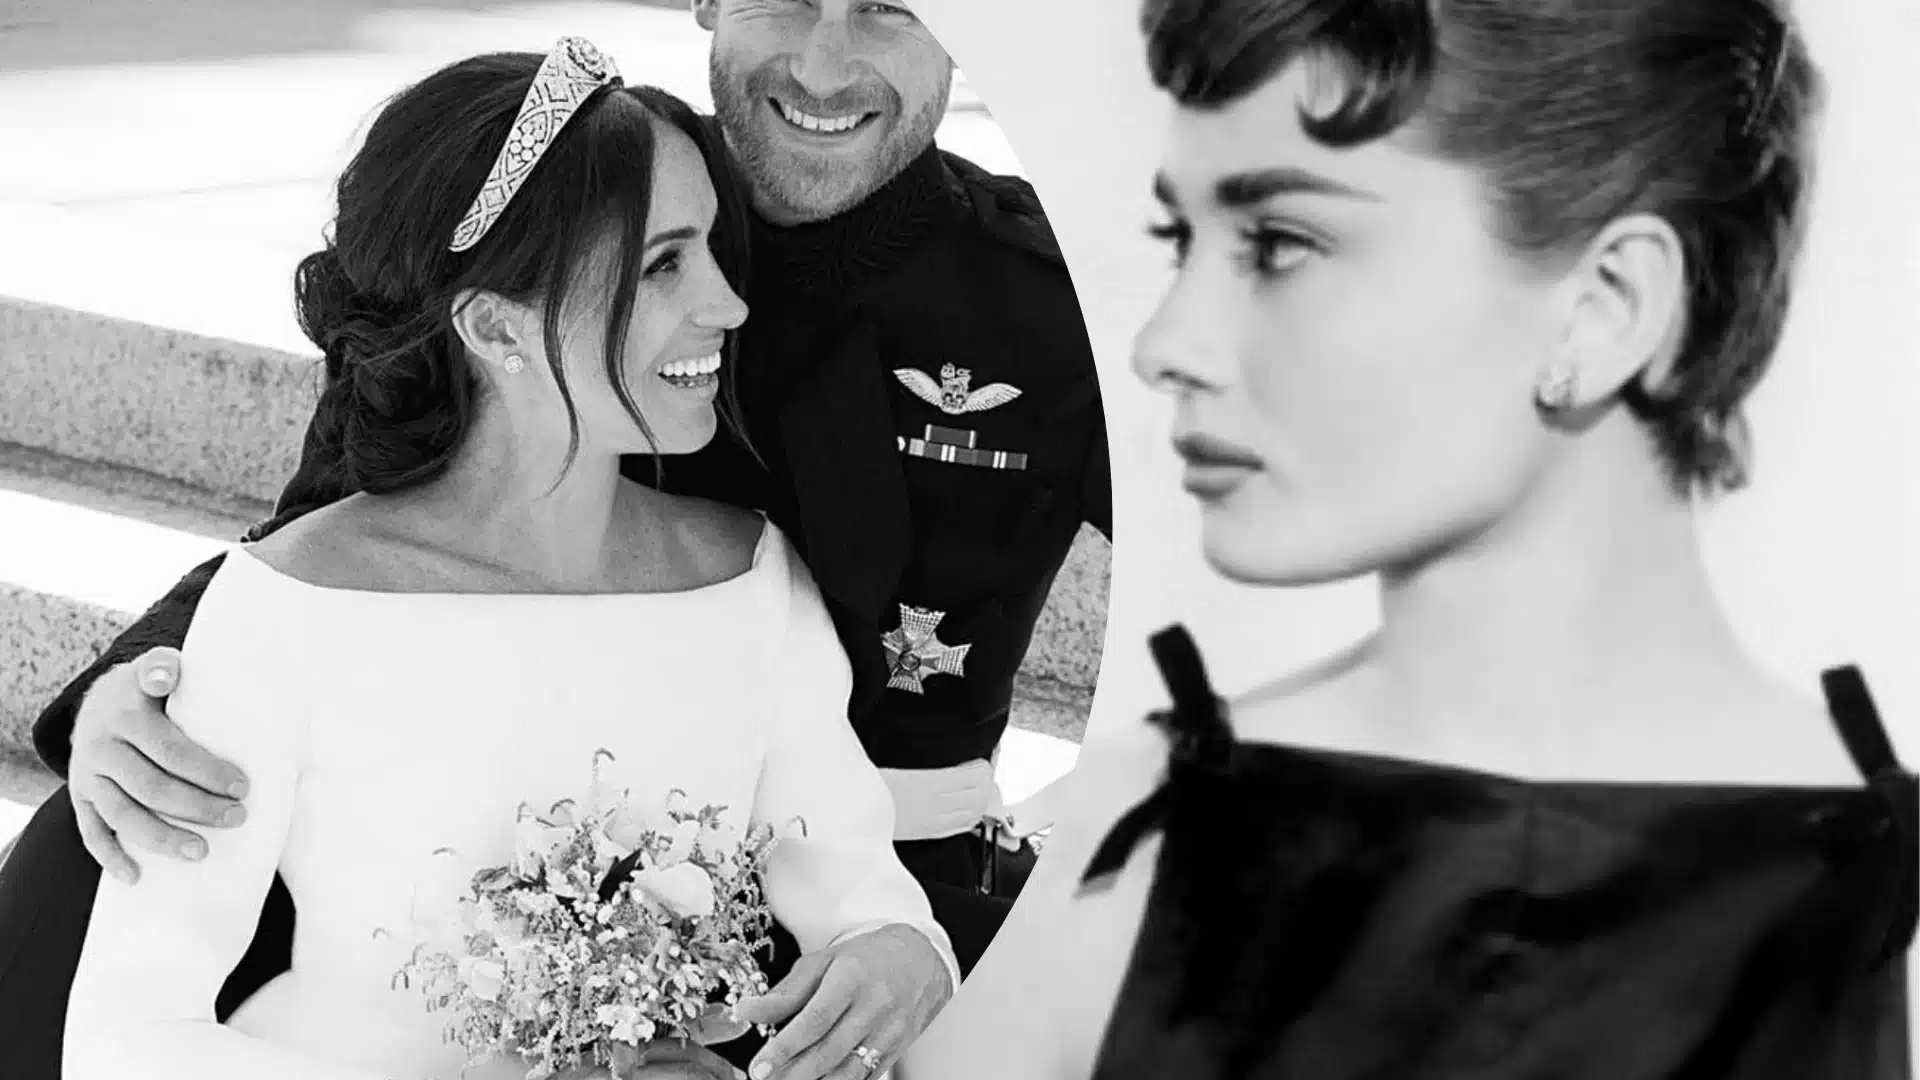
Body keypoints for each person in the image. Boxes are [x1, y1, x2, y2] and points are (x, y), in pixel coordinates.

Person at [7, 0, 1107, 1068]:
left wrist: (901, 935)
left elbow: (1264, 608)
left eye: (888, 7)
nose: (825, 66)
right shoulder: (578, 187)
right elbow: (335, 542)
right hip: (439, 920)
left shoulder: (1060, 299)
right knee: (88, 853)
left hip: (836, 892)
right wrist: (131, 686)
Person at [903, 0, 1918, 1077]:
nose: (1163, 345)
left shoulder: (1891, 903)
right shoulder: (1117, 858)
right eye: (1182, 242)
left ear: (1606, 308)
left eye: (1281, 243)